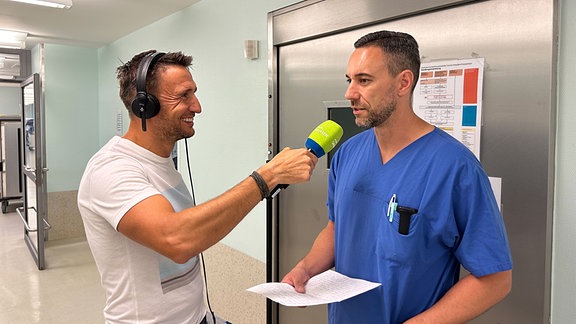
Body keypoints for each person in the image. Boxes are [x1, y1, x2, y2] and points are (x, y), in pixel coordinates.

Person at [281, 30, 513, 323]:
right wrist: (306, 268)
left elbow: (496, 280)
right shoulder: (347, 154)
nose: (350, 93)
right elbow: (337, 227)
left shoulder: (455, 168)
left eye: (364, 80)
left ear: (403, 82)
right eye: (349, 80)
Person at [77, 50, 318, 324]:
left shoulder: (163, 161)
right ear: (144, 105)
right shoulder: (111, 169)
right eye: (183, 95)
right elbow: (177, 240)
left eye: (194, 93)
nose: (197, 106)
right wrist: (266, 178)